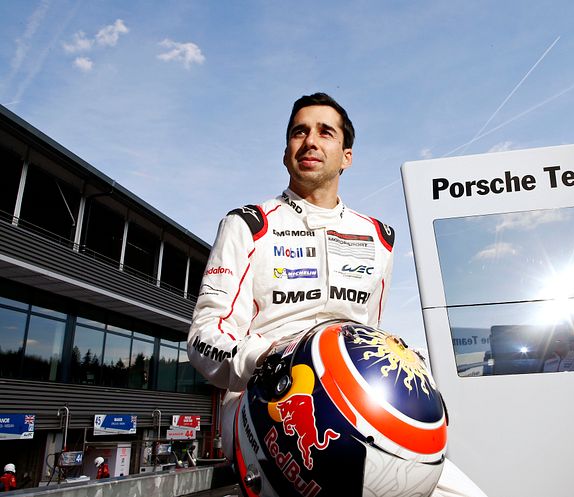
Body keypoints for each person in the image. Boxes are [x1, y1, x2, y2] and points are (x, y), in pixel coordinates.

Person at [189, 93, 486, 496]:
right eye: (299, 132)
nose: (310, 140)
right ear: (286, 153)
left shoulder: (377, 237)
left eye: (325, 132)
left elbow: (367, 333)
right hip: (268, 404)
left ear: (346, 156)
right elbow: (204, 338)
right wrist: (269, 357)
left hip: (357, 407)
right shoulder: (249, 225)